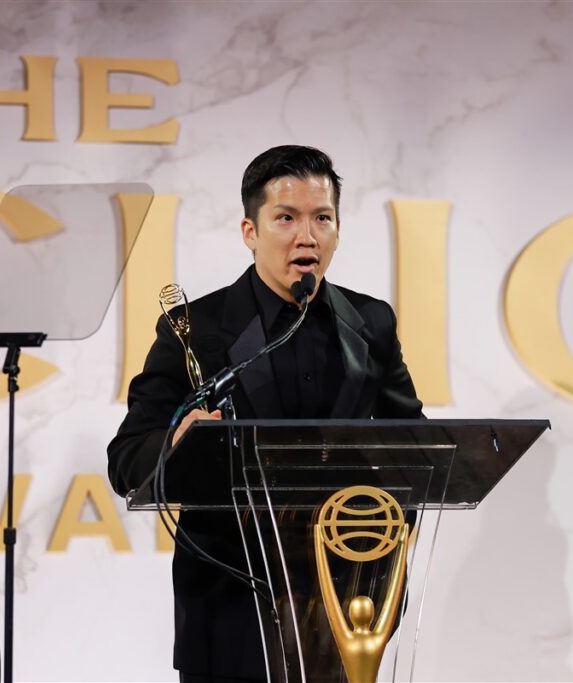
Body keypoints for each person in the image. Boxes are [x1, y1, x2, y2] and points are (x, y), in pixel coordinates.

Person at [108, 145, 424, 682]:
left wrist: (378, 536)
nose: (308, 236)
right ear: (250, 231)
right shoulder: (195, 330)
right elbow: (126, 460)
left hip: (346, 603)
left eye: (322, 218)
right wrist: (178, 443)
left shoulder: (371, 322)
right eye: (286, 218)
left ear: (338, 229)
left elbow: (414, 448)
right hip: (232, 605)